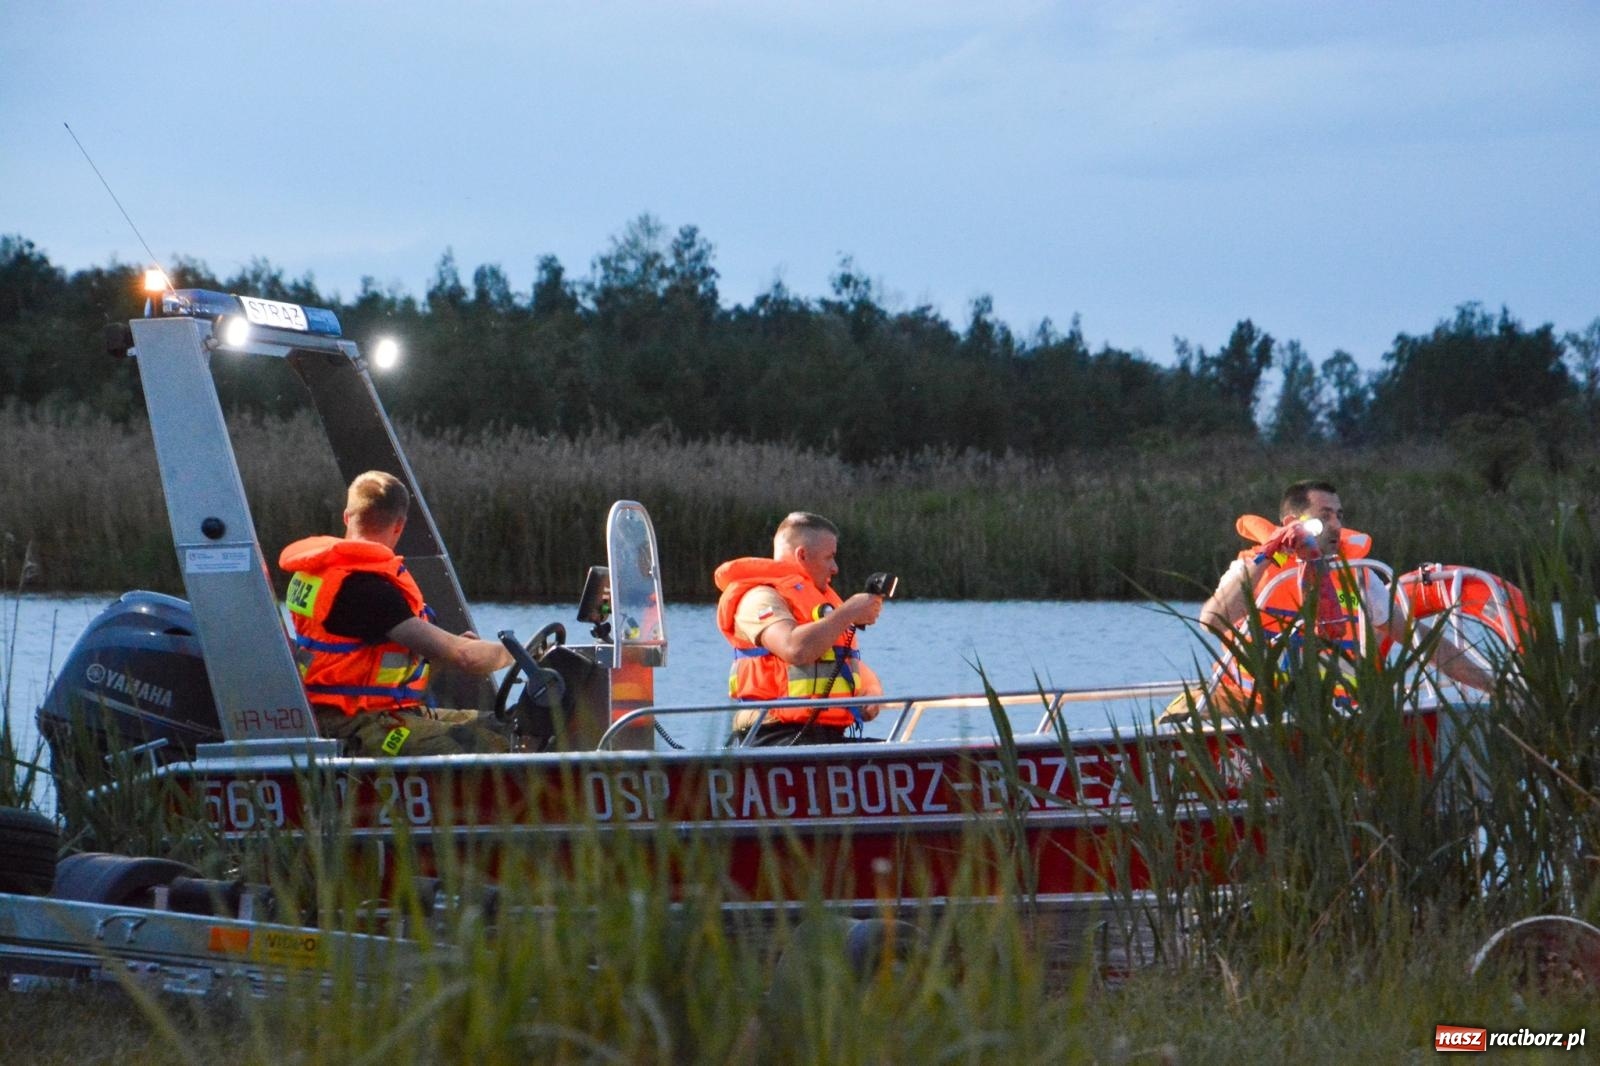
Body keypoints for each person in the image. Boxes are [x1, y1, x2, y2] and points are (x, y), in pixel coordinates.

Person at [1196, 479, 1494, 708]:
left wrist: (1493, 685)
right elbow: (1213, 621)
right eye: (1324, 516)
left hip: (1334, 715)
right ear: (1292, 524)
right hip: (1250, 710)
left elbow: (1421, 639)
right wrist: (1267, 555)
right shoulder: (1255, 566)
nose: (1336, 525)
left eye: (1339, 515)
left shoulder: (1358, 575)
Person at [279, 470, 514, 756]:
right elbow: (466, 657)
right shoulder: (368, 589)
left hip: (371, 711)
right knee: (495, 745)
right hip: (357, 723)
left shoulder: (316, 573)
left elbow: (362, 650)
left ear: (346, 516)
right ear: (399, 525)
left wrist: (447, 648)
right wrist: (521, 654)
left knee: (510, 725)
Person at [715, 512, 886, 745]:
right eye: (830, 557)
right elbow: (794, 649)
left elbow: (840, 660)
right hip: (775, 736)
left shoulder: (821, 602)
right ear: (802, 555)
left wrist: (872, 691)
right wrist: (849, 611)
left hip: (824, 736)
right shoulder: (759, 597)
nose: (835, 568)